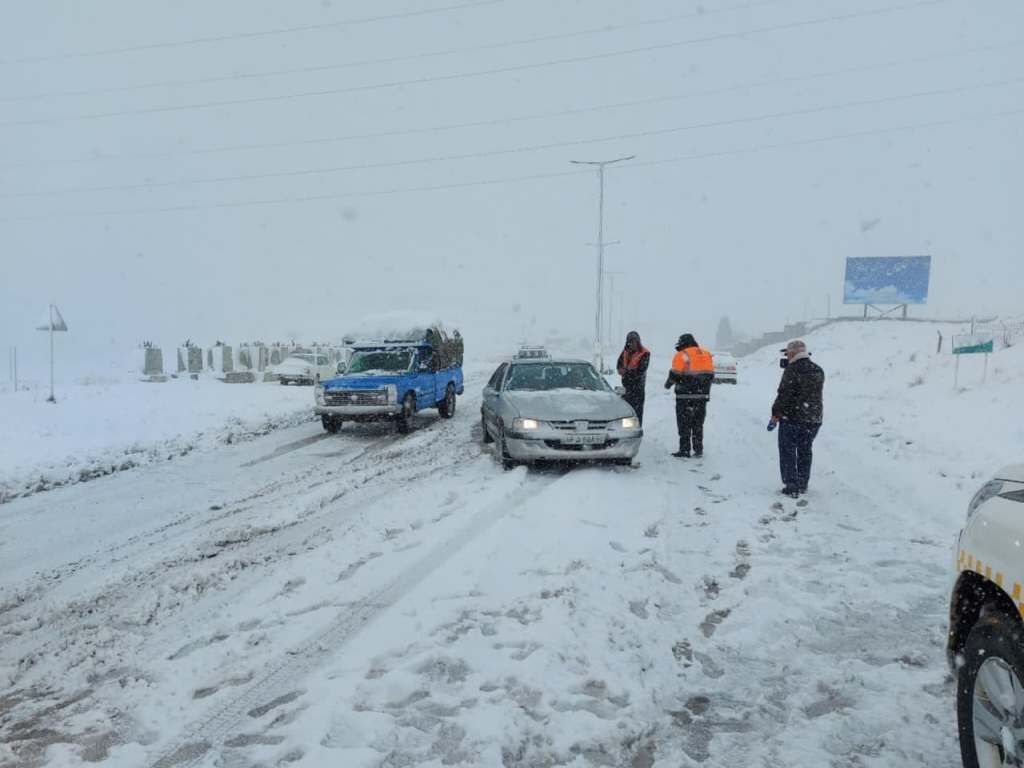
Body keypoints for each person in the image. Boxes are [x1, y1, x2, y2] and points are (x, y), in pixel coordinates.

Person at [771, 339, 825, 498]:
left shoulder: (792, 370)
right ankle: (802, 483)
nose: (787, 357)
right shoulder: (818, 369)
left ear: (793, 353)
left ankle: (791, 484)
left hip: (793, 417)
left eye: (788, 354)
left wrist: (775, 413)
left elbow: (784, 394)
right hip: (814, 418)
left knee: (788, 450)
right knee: (805, 450)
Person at [664, 333, 715, 458]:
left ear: (683, 344)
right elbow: (711, 374)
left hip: (684, 396)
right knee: (698, 423)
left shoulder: (683, 355)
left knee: (684, 424)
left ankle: (685, 450)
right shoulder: (706, 354)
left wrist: (668, 384)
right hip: (702, 396)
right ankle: (698, 449)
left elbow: (675, 374)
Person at [616, 331, 651, 424]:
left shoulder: (645, 353)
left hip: (638, 388)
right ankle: (629, 432)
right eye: (630, 341)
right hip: (627, 388)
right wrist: (620, 369)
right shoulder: (625, 351)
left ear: (638, 342)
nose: (632, 343)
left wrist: (626, 372)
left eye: (634, 341)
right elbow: (618, 363)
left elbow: (641, 370)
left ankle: (637, 431)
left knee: (637, 412)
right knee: (627, 413)